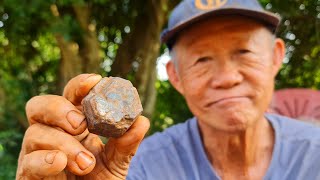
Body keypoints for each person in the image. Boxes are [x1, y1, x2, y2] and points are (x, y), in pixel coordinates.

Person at [16, 0, 320, 179]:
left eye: (244, 52)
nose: (227, 78)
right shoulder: (139, 168)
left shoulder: (314, 153)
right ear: (175, 76)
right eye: (202, 58)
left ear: (276, 57)